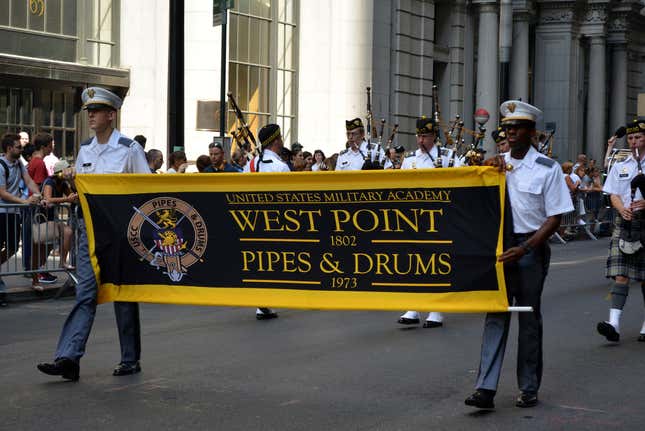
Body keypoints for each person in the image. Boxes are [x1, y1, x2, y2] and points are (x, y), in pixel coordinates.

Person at [464, 100, 573, 409]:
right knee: (495, 314)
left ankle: (528, 387)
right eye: (507, 128)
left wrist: (525, 248)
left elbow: (555, 218)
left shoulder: (548, 168)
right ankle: (485, 388)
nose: (510, 133)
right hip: (500, 249)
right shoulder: (496, 164)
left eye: (517, 127)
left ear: (532, 132)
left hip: (529, 249)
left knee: (527, 319)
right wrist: (486, 163)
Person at [37, 87, 150, 381]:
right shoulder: (86, 149)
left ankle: (129, 358)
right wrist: (76, 189)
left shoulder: (129, 149)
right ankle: (68, 358)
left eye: (96, 111)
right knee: (85, 293)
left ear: (111, 115)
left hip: (120, 234)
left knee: (123, 294)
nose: (90, 115)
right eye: (88, 111)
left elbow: (148, 191)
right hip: (89, 230)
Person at [397, 116, 463, 328]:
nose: (420, 141)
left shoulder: (449, 157)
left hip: (442, 218)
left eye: (424, 136)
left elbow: (463, 183)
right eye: (418, 136)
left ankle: (436, 310)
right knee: (415, 264)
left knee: (437, 264)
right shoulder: (410, 160)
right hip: (416, 219)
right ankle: (414, 307)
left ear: (434, 136)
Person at [596, 118, 645, 343]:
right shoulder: (621, 165)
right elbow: (612, 192)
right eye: (631, 138)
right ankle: (613, 323)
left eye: (638, 138)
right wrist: (621, 209)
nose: (634, 142)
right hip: (625, 222)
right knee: (620, 274)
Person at [242, 124, 290, 319]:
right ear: (277, 140)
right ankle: (266, 301)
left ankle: (263, 302)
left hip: (252, 220)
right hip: (276, 221)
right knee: (273, 262)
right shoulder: (281, 167)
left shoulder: (251, 165)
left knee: (259, 261)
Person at [0, 133, 44, 306]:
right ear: (9, 148)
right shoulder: (1, 165)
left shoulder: (19, 163)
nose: (21, 149)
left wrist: (39, 195)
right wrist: (24, 201)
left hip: (12, 212)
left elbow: (29, 181)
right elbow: (2, 192)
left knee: (12, 246)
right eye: (18, 146)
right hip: (2, 211)